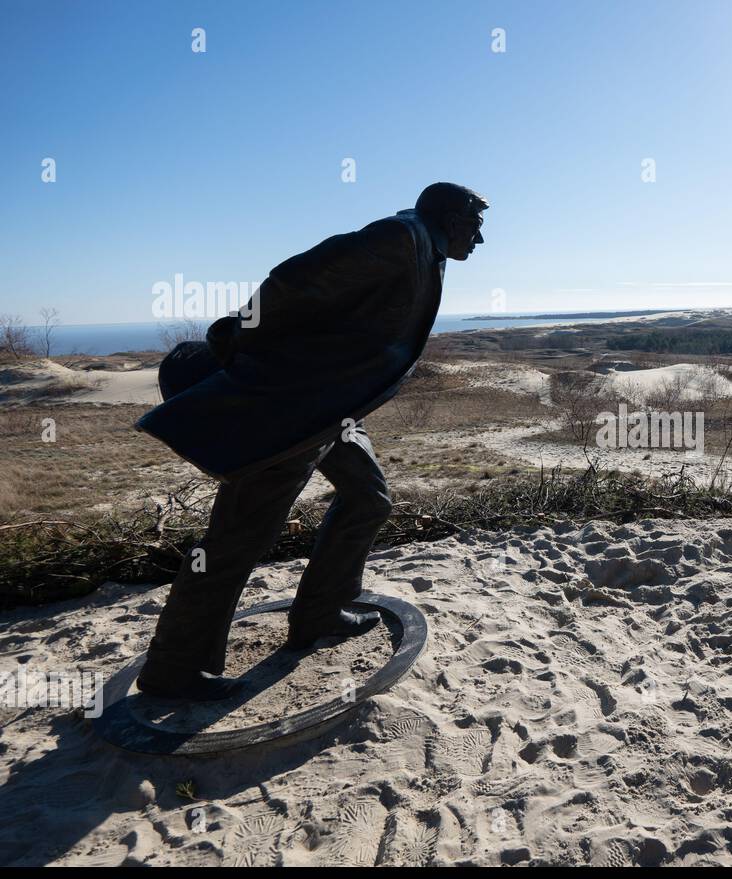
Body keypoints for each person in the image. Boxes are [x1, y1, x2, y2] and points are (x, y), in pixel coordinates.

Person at [133, 183, 488, 700]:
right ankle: (174, 668)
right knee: (237, 539)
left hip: (332, 408)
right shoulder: (399, 237)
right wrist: (242, 336)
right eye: (475, 225)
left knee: (368, 498)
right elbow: (296, 279)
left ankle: (320, 613)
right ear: (451, 217)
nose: (479, 240)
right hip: (288, 409)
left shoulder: (426, 250)